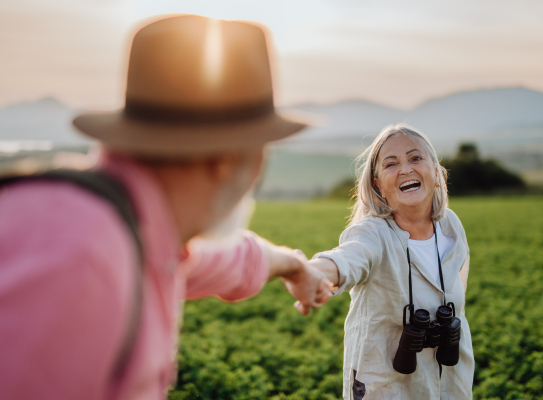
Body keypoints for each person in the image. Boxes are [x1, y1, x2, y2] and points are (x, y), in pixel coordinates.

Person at [0, 15, 331, 399]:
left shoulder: (134, 228)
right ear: (227, 161)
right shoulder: (84, 258)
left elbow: (229, 260)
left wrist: (293, 265)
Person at [310, 124, 474, 399]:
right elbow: (351, 256)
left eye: (415, 158)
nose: (406, 169)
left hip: (451, 385)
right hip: (386, 387)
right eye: (391, 164)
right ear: (378, 185)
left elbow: (459, 288)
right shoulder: (373, 234)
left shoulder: (451, 227)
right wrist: (314, 272)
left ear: (435, 173)